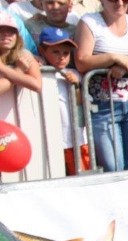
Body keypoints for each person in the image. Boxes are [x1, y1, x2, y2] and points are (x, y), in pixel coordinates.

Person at [75, 0, 128, 172]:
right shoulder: (89, 21)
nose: (120, 3)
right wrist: (113, 57)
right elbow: (82, 61)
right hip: (103, 106)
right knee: (113, 167)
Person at [39, 26, 90, 175]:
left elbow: (81, 105)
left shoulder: (75, 74)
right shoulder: (39, 74)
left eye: (66, 53)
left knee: (81, 177)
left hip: (77, 139)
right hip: (50, 140)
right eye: (55, 51)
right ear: (42, 51)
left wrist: (76, 86)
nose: (61, 57)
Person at [0, 13, 41, 95]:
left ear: (17, 36)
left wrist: (3, 69)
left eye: (11, 31)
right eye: (0, 30)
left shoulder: (24, 54)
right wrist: (19, 71)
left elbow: (37, 85)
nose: (6, 34)